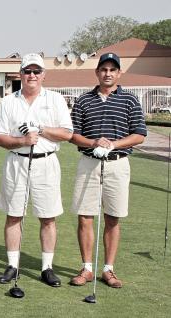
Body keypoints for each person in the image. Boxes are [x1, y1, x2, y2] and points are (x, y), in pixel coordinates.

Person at [0, 53, 73, 287]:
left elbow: (67, 134)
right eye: (27, 71)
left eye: (36, 71)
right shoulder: (8, 101)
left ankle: (47, 267)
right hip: (16, 161)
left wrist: (41, 129)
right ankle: (12, 265)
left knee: (47, 217)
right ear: (20, 74)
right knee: (14, 214)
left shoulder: (56, 99)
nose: (32, 75)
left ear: (43, 75)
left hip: (46, 162)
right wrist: (22, 141)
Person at [69, 53, 146, 288]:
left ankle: (108, 270)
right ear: (97, 72)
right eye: (104, 69)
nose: (108, 73)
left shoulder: (130, 100)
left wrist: (112, 144)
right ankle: (87, 268)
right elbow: (73, 135)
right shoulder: (83, 100)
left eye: (113, 69)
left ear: (119, 73)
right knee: (85, 217)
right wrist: (93, 142)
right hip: (89, 163)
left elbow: (139, 134)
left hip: (118, 163)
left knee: (113, 217)